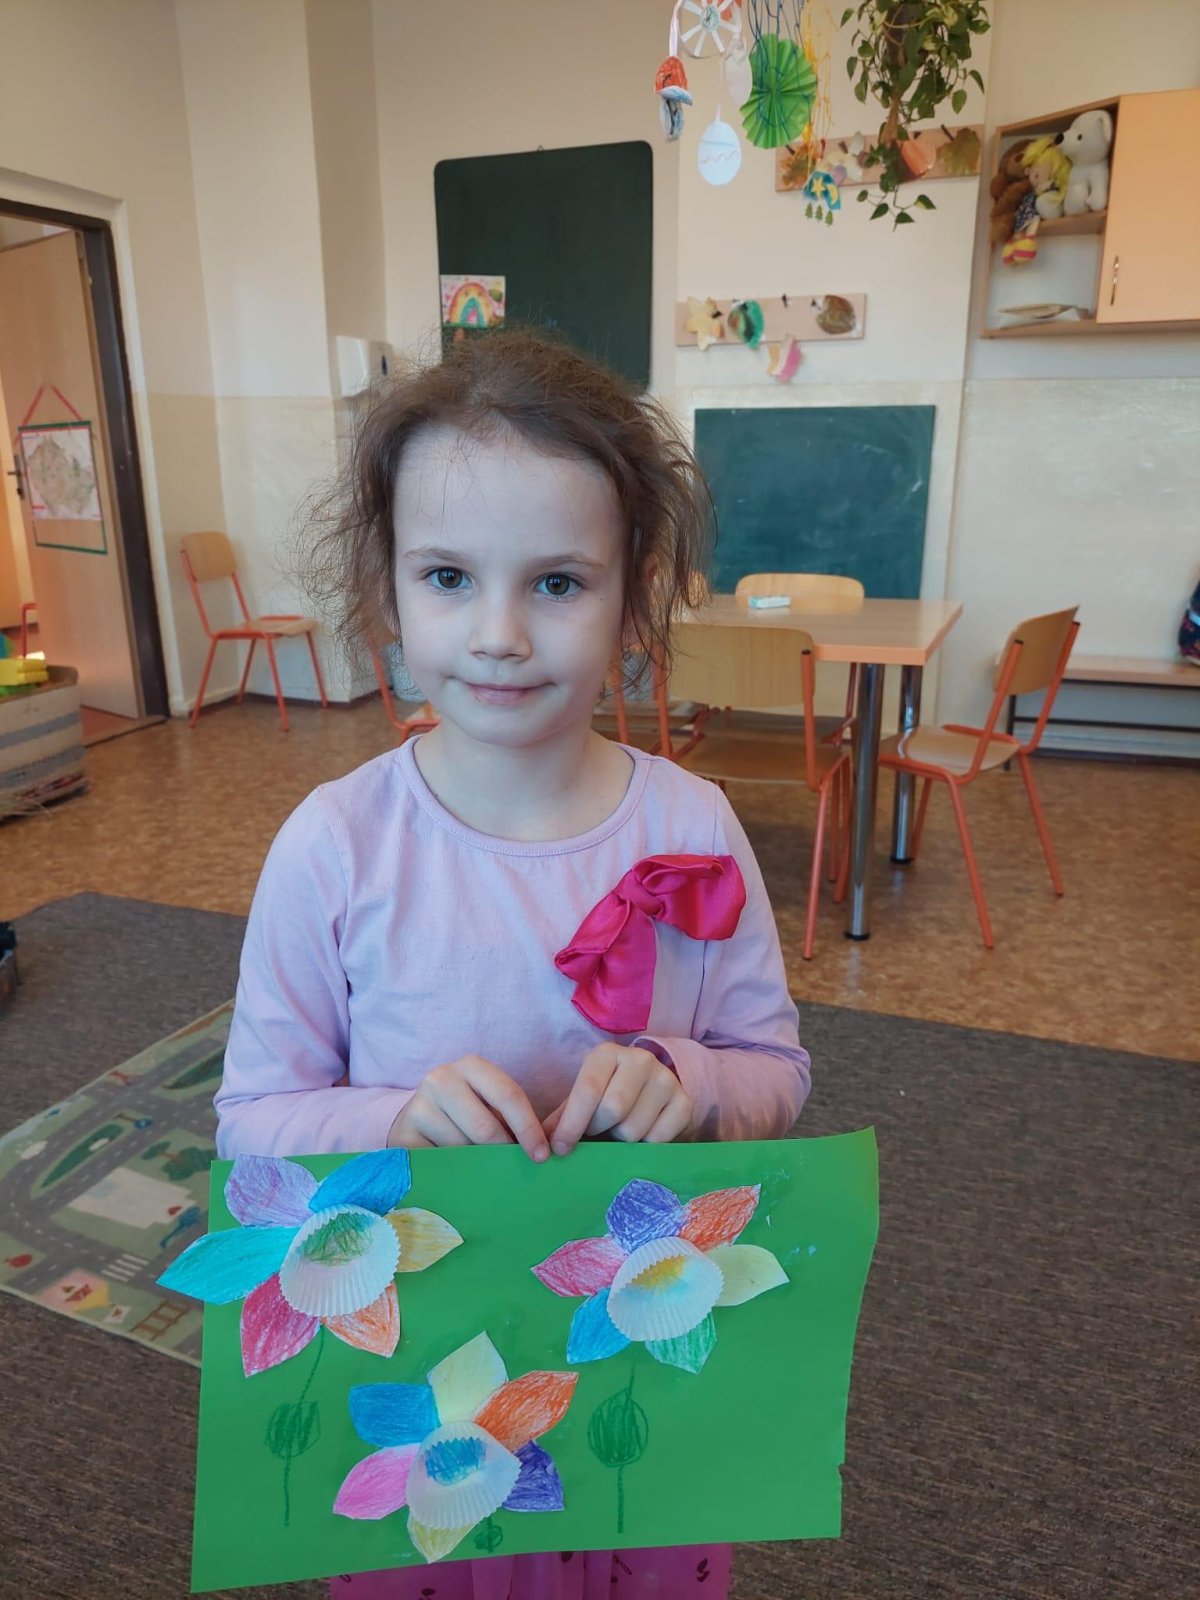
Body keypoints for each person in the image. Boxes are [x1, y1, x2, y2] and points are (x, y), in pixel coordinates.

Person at [215, 329, 810, 1599]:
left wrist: (693, 1079)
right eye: (447, 575)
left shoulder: (695, 825)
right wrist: (392, 1120)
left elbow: (776, 1070)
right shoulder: (333, 846)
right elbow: (250, 1124)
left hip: (640, 1338)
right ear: (386, 591)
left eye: (556, 582)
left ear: (634, 596)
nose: (497, 633)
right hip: (418, 1363)